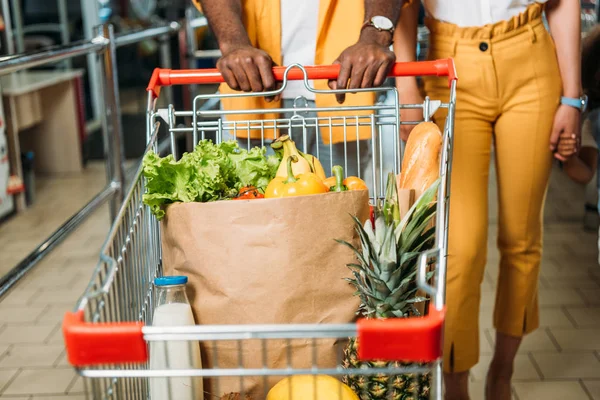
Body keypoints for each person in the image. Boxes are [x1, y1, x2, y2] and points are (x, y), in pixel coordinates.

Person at [394, 1, 583, 399]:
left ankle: (502, 372)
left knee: (522, 238)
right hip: (449, 65)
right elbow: (403, 4)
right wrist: (407, 84)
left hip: (530, 57)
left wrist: (572, 97)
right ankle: (456, 382)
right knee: (460, 249)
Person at [192, 0, 410, 178]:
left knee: (339, 218)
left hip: (343, 94)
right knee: (250, 218)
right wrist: (233, 43)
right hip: (251, 97)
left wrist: (375, 35)